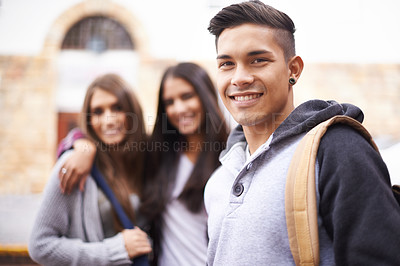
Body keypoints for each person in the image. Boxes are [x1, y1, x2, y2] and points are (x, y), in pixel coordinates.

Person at [204, 1, 400, 265]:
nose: (239, 78)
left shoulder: (337, 149)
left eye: (258, 60)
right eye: (226, 64)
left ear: (293, 69)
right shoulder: (219, 179)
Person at [54, 62, 229, 266]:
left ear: (206, 96)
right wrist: (83, 145)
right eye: (170, 102)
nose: (179, 108)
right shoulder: (159, 153)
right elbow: (95, 135)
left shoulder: (230, 158)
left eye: (187, 96)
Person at [28, 73, 152, 266]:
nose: (109, 120)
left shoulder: (146, 159)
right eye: (98, 112)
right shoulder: (75, 164)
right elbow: (40, 245)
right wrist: (116, 251)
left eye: (118, 108)